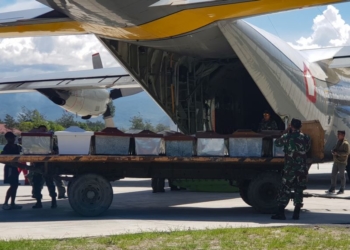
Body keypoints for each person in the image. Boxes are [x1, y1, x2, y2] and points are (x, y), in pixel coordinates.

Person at [271, 118, 311, 220]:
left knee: (285, 189)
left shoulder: (286, 137)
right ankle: (296, 213)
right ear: (300, 127)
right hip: (301, 169)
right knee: (299, 190)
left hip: (290, 169)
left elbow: (277, 143)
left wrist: (285, 131)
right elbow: (307, 148)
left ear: (291, 126)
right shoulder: (306, 137)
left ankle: (281, 213)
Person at [1, 132, 23, 210]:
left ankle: (12, 203)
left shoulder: (17, 146)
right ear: (7, 139)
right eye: (11, 138)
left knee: (15, 185)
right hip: (9, 168)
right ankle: (6, 203)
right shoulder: (7, 147)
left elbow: (22, 152)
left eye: (13, 137)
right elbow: (3, 158)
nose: (13, 139)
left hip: (15, 168)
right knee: (13, 185)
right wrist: (11, 163)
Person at [327, 130, 349, 195]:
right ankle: (332, 188)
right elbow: (335, 148)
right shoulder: (338, 142)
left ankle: (342, 189)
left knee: (342, 176)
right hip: (336, 161)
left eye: (339, 134)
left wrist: (338, 153)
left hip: (342, 162)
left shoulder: (346, 144)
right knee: (333, 175)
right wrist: (333, 151)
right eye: (338, 134)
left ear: (343, 135)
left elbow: (347, 153)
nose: (337, 136)